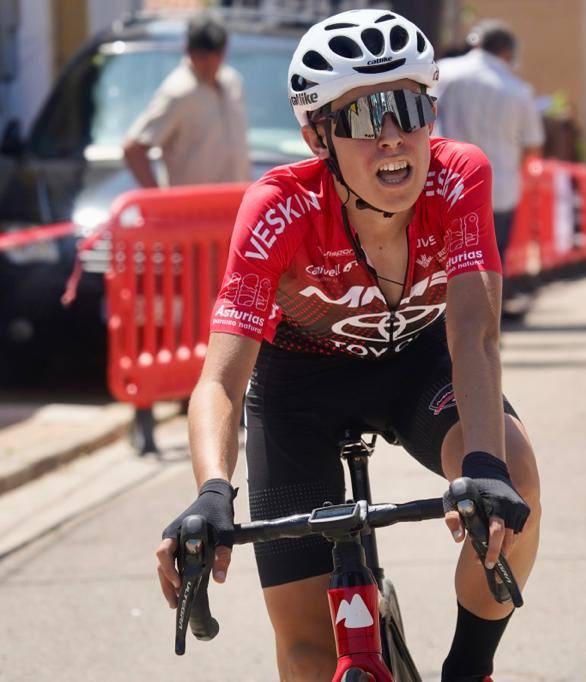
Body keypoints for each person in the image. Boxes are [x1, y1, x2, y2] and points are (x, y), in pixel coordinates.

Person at [153, 9, 540, 682]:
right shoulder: (277, 207)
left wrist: (483, 462)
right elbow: (220, 377)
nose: (393, 136)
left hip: (420, 365)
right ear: (317, 136)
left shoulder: (459, 175)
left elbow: (474, 333)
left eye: (410, 107)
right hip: (298, 385)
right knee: (308, 655)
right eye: (364, 117)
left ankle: (468, 668)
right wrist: (213, 490)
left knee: (517, 479)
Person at [433, 19, 544, 267]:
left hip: (445, 186)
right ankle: (490, 307)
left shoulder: (444, 72)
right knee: (490, 264)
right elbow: (533, 145)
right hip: (500, 190)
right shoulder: (519, 90)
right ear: (507, 51)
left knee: (441, 266)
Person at [123, 13, 250, 187]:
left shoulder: (232, 82)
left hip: (236, 204)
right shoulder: (178, 92)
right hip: (194, 210)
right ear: (188, 51)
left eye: (217, 56)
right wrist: (161, 204)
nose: (211, 64)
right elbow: (134, 149)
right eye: (203, 57)